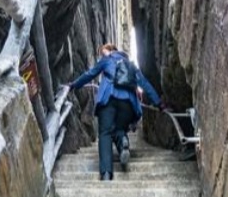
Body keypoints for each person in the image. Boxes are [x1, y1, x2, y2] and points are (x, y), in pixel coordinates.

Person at [67, 43, 164, 181]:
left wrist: (74, 85)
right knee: (119, 129)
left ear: (111, 51)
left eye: (103, 52)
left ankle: (106, 174)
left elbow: (90, 74)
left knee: (105, 133)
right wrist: (159, 104)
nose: (102, 54)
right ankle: (123, 141)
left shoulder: (107, 60)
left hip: (109, 98)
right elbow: (145, 84)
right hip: (129, 103)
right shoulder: (131, 65)